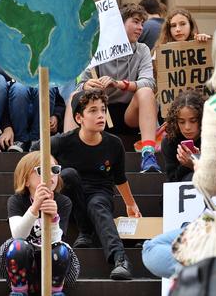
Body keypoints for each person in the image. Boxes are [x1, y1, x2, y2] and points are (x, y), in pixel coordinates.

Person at [143, 17, 216, 279]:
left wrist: (196, 165)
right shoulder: (173, 139)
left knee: (152, 249)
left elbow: (213, 181)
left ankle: (210, 271)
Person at [32, 89, 141, 280]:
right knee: (69, 174)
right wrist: (51, 168)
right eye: (93, 110)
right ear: (79, 117)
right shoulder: (63, 141)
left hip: (100, 195)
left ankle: (121, 260)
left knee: (96, 204)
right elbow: (35, 150)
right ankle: (84, 231)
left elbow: (120, 178)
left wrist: (130, 204)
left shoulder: (114, 144)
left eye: (102, 109)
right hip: (71, 198)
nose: (100, 115)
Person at [64, 3, 161, 173]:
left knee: (145, 92)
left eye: (142, 24)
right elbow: (80, 84)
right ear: (119, 24)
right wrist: (87, 85)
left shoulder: (142, 49)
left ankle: (148, 155)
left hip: (129, 116)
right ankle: (69, 156)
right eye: (136, 22)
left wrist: (119, 84)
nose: (140, 28)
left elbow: (149, 83)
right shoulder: (97, 48)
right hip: (101, 113)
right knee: (74, 95)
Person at [1, 151, 73, 296]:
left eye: (54, 170)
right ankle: (19, 292)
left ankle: (55, 292)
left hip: (53, 269)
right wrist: (34, 208)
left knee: (62, 249)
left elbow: (56, 241)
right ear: (26, 180)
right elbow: (18, 235)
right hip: (22, 266)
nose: (50, 175)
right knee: (18, 246)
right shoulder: (16, 201)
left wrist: (53, 218)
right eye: (42, 170)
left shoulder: (63, 202)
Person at [161, 90, 205, 182]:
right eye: (181, 122)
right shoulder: (169, 142)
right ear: (175, 122)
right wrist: (186, 166)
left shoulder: (213, 138)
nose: (187, 127)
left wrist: (196, 163)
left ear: (202, 119)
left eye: (193, 121)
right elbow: (172, 180)